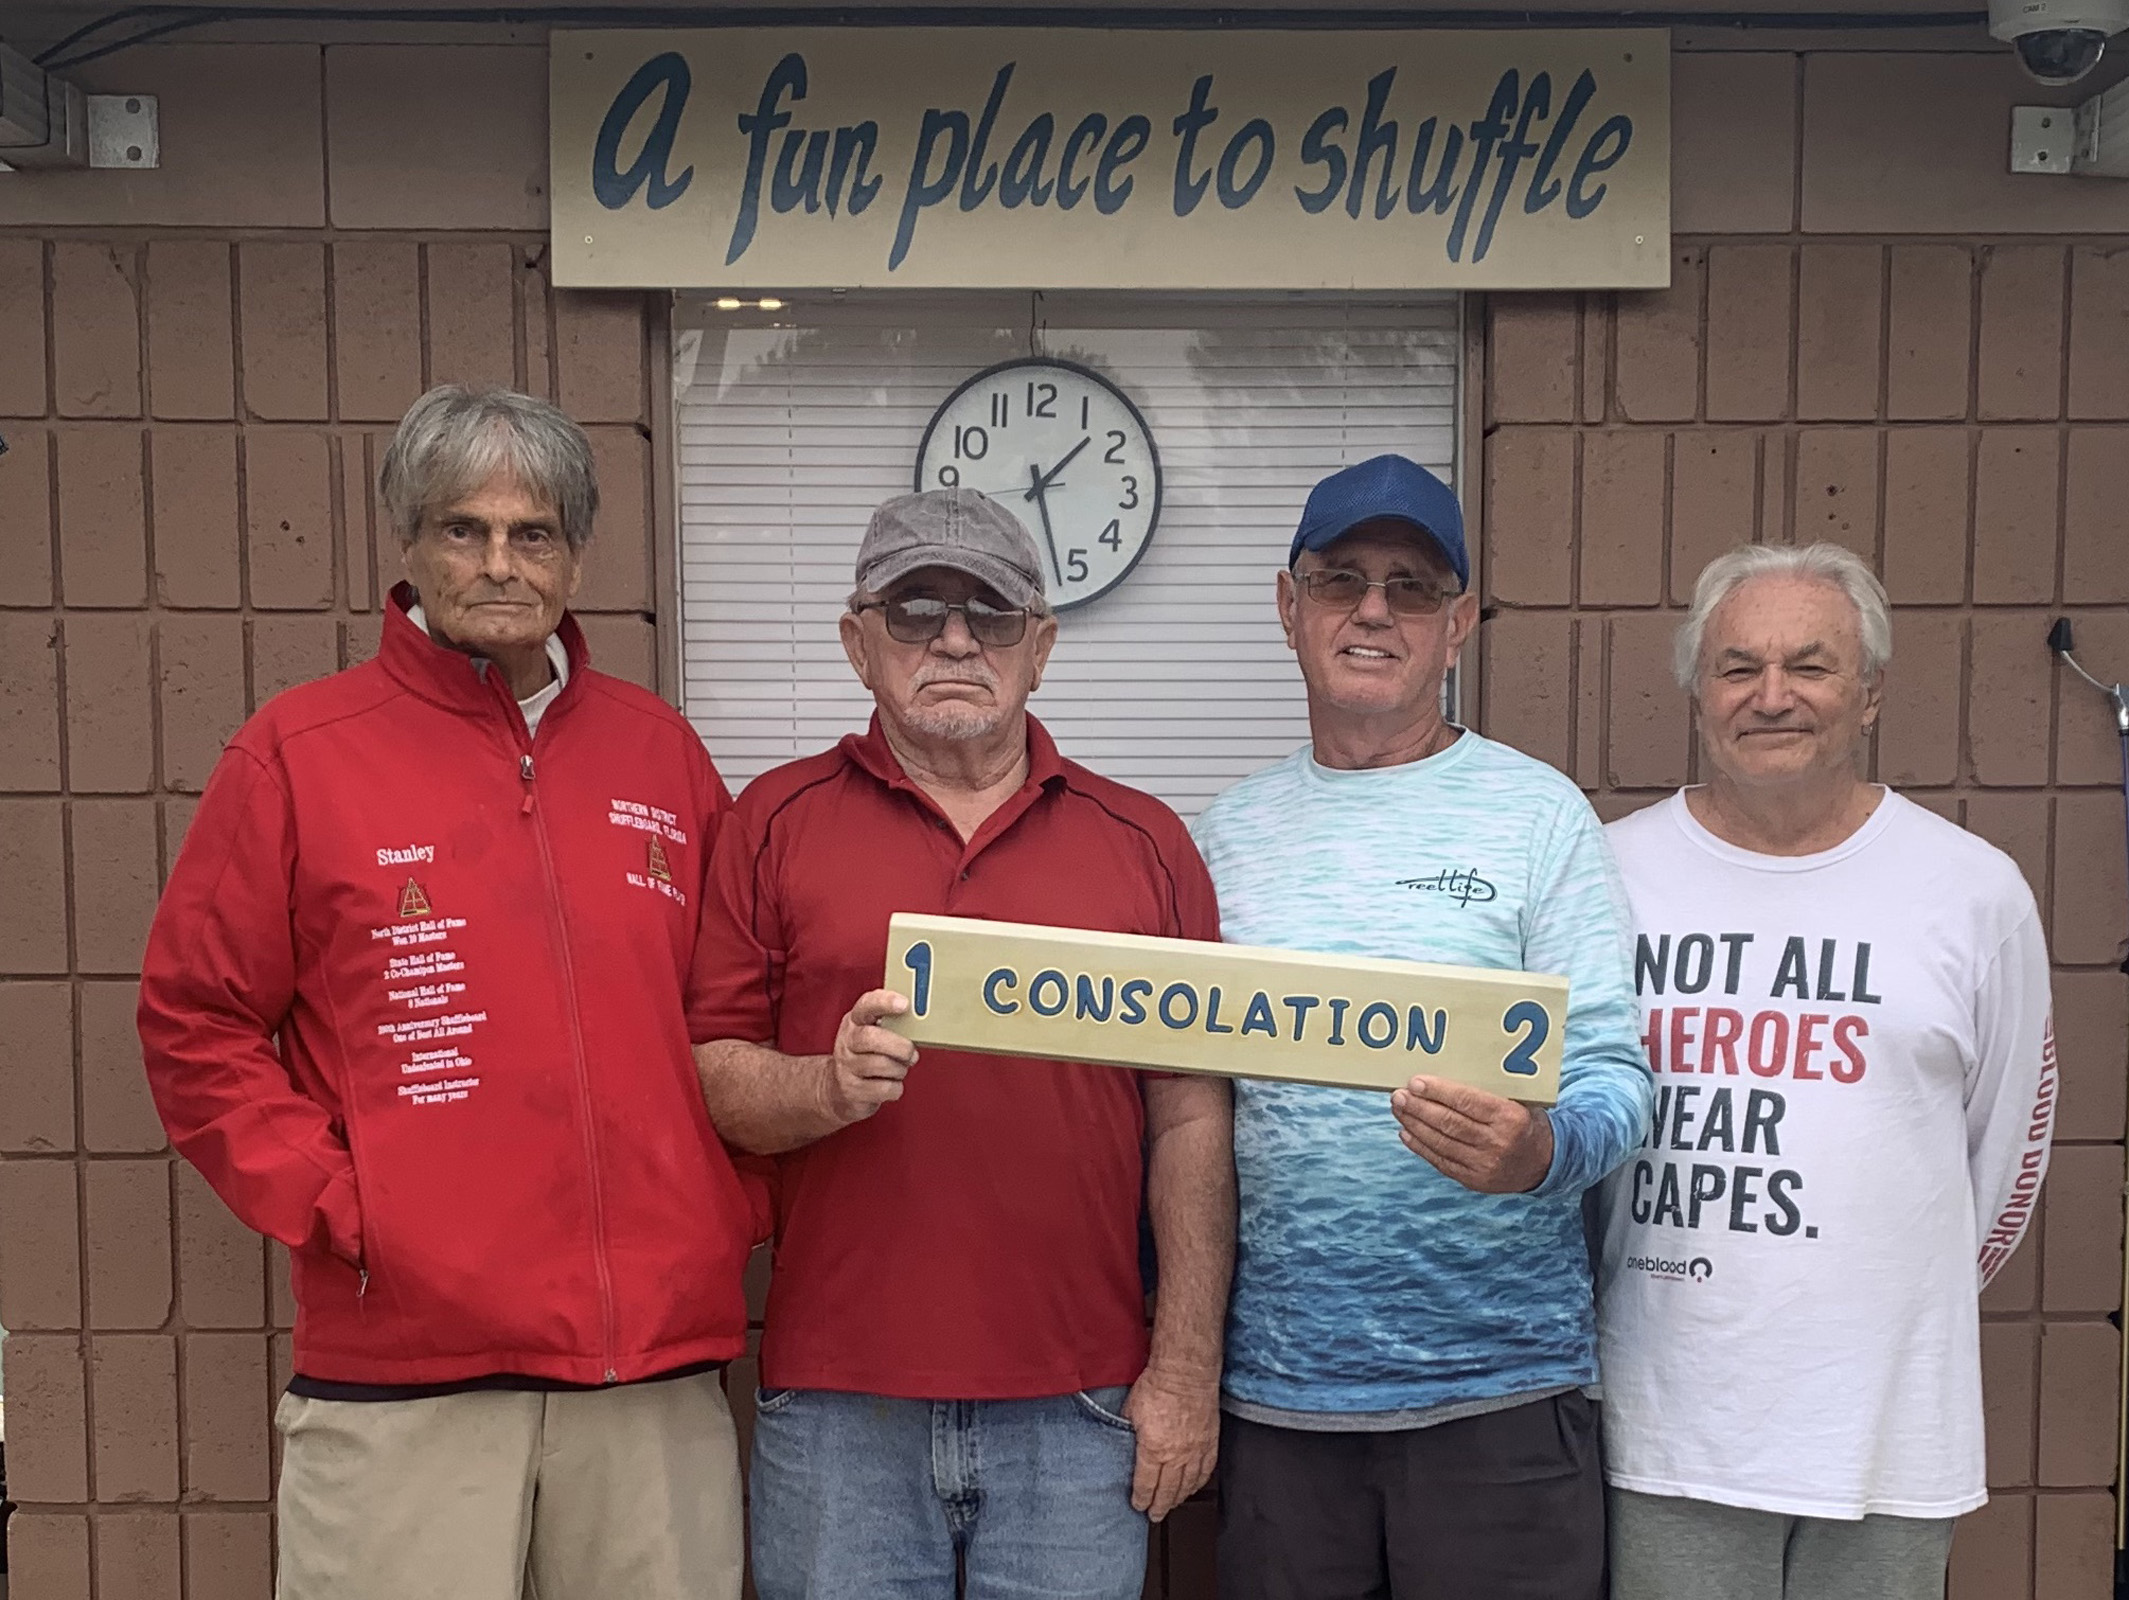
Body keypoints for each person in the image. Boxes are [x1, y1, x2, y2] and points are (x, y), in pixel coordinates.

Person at [137, 385, 757, 1600]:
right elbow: (193, 1021)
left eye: (533, 533)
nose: (499, 564)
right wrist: (347, 1204)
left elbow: (734, 1014)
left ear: (576, 554)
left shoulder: (660, 754)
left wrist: (722, 1206)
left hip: (648, 1377)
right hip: (404, 1378)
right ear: (409, 542)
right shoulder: (299, 754)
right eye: (464, 529)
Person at [691, 486, 1235, 1600]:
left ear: (1040, 648)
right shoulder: (771, 822)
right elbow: (711, 1074)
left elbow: (1188, 1114)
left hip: (1078, 1401)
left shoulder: (1143, 842)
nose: (952, 640)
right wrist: (826, 1086)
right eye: (914, 610)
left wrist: (1183, 1368)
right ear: (857, 643)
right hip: (839, 1405)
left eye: (989, 613)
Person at [1189, 454, 1652, 1600]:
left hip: (1500, 1403)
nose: (1372, 610)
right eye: (1338, 579)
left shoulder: (1536, 815)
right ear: (1287, 606)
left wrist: (1540, 1150)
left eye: (1410, 585)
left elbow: (1613, 1077)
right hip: (1280, 1408)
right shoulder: (1221, 839)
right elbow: (1183, 1109)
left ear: (1458, 625)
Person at [1596, 542, 2057, 1600]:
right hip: (1666, 1426)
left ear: (1869, 693)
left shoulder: (1972, 892)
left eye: (1808, 665)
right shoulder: (1610, 871)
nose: (1771, 696)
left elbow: (2004, 1153)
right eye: (1736, 667)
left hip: (1887, 1433)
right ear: (1696, 692)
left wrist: (1886, 1298)